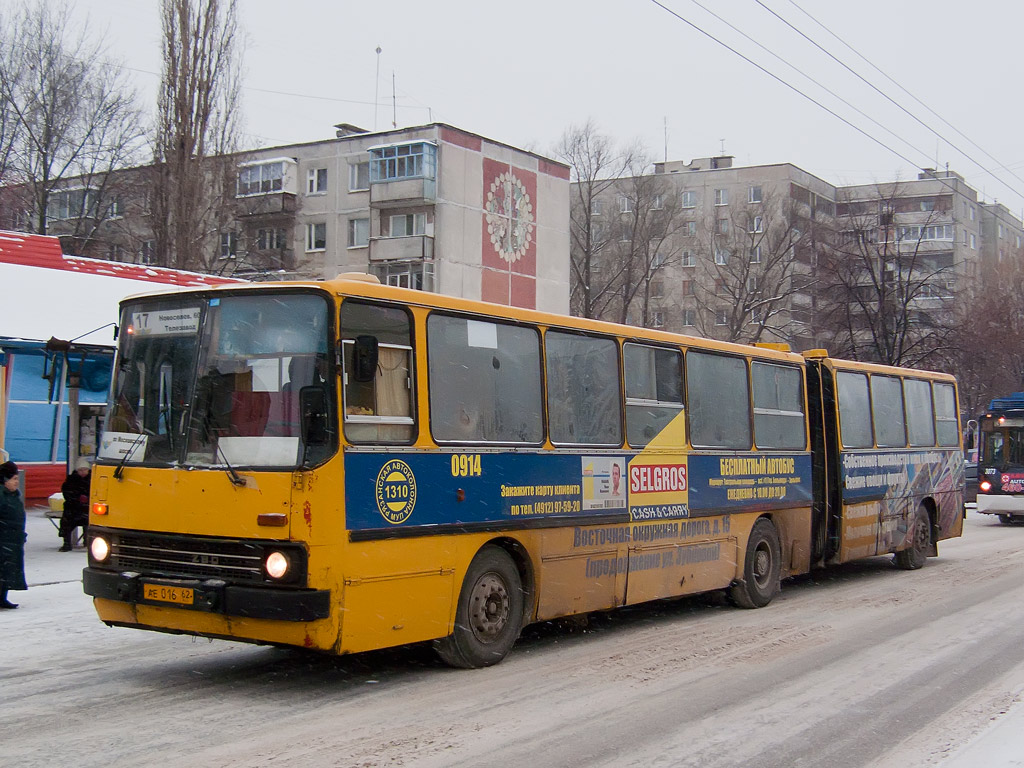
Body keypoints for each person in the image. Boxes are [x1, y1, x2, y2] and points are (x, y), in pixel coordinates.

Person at [0, 461, 27, 609]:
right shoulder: (2, 495)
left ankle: (2, 597)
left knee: (7, 570)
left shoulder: (13, 495)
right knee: (3, 569)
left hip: (12, 539)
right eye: (14, 479)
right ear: (5, 480)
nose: (17, 482)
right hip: (4, 539)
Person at [59, 458, 91, 552]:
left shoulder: (93, 479)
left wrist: (87, 499)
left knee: (88, 521)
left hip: (87, 508)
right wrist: (76, 499)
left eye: (85, 469)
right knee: (67, 521)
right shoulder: (71, 480)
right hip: (73, 508)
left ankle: (87, 542)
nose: (83, 472)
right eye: (80, 470)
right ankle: (67, 543)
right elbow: (66, 493)